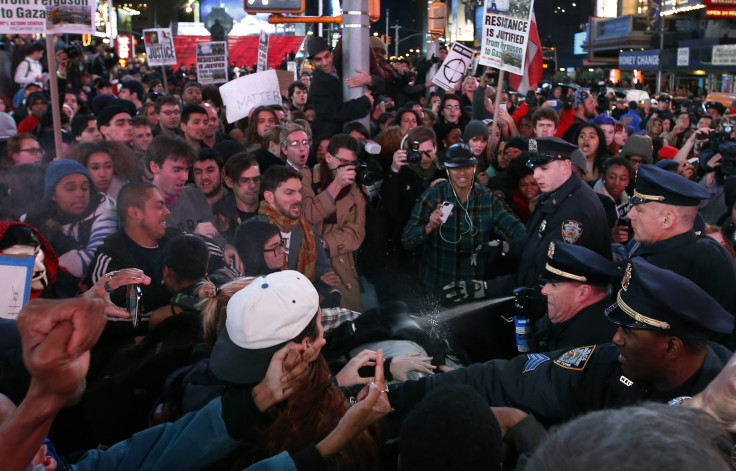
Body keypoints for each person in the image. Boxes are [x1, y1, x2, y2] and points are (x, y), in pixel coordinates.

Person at [389, 257, 735, 428]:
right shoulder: (607, 363)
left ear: (672, 347)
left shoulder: (723, 410)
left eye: (628, 332)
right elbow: (511, 377)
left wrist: (525, 433)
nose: (615, 338)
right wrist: (398, 397)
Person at [626, 164, 736, 344]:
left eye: (639, 210)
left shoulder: (660, 270)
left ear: (667, 219)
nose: (630, 215)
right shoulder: (712, 250)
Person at [402, 143, 526, 294]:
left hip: (471, 291)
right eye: (456, 168)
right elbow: (407, 240)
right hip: (434, 287)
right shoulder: (433, 196)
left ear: (474, 167)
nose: (462, 173)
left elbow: (521, 233)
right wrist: (429, 226)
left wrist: (505, 245)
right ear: (447, 170)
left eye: (467, 167)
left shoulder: (488, 200)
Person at [84, 182, 174, 317]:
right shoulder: (110, 260)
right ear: (134, 213)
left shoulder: (174, 240)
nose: (167, 212)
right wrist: (166, 318)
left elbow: (212, 256)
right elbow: (103, 318)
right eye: (159, 206)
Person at [244, 165, 338, 290]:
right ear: (269, 197)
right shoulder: (250, 231)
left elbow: (322, 270)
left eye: (299, 191)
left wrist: (324, 280)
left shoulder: (308, 229)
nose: (299, 198)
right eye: (289, 193)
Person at [24, 159, 117, 279]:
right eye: (70, 189)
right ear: (52, 195)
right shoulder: (36, 217)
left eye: (84, 188)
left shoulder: (106, 212)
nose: (79, 194)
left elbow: (91, 260)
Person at [304, 134, 366, 311]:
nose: (347, 168)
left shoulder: (355, 189)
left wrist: (324, 243)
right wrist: (336, 185)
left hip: (342, 269)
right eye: (343, 161)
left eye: (351, 163)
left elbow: (356, 233)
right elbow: (306, 216)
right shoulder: (306, 177)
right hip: (309, 267)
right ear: (328, 157)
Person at [532, 241, 621, 352]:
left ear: (582, 293)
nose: (544, 291)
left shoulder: (585, 346)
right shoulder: (570, 317)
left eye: (554, 285)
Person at [307, 37, 381, 138]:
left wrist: (369, 79)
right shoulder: (317, 83)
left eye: (327, 56)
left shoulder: (343, 68)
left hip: (349, 132)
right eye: (318, 59)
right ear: (312, 62)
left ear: (331, 53)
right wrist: (364, 102)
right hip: (330, 138)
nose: (324, 62)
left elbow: (383, 84)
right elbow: (333, 113)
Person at [213, 152, 261, 242]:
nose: (252, 186)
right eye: (244, 180)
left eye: (256, 179)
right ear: (229, 182)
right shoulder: (220, 215)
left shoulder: (272, 207)